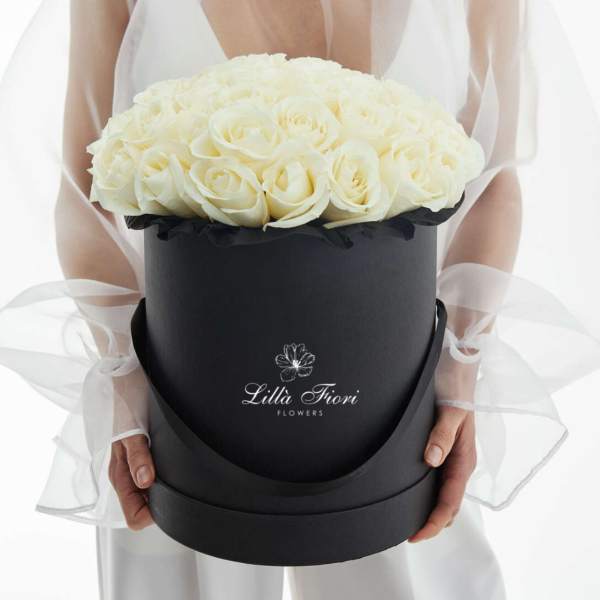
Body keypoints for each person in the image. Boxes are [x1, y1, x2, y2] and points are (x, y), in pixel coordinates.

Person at [1, 1, 599, 599]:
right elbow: (83, 189)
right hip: (178, 401)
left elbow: (494, 179)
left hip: (399, 405)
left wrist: (460, 365)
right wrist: (124, 374)